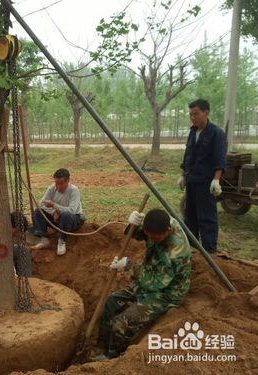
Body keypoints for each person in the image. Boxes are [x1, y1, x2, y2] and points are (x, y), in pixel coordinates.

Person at [96, 208, 192, 359]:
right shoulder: (157, 224)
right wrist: (131, 226)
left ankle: (112, 357)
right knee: (111, 302)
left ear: (167, 231)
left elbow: (155, 283)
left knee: (121, 323)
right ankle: (100, 346)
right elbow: (139, 233)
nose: (152, 240)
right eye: (149, 236)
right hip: (149, 275)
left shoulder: (175, 252)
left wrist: (129, 267)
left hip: (166, 293)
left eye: (156, 238)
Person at [178, 99, 226, 253]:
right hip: (192, 180)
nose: (193, 117)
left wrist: (216, 179)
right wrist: (183, 175)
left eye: (196, 114)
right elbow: (188, 155)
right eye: (191, 114)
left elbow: (219, 158)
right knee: (190, 216)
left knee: (206, 217)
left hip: (206, 182)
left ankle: (210, 251)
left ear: (206, 112)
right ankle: (191, 248)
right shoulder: (193, 132)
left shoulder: (216, 133)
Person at [30, 168, 84, 256]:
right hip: (57, 218)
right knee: (38, 212)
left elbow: (72, 210)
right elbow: (41, 204)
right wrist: (53, 211)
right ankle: (44, 239)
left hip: (73, 219)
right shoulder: (52, 188)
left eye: (61, 184)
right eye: (56, 183)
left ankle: (61, 240)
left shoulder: (74, 190)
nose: (58, 186)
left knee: (66, 215)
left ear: (68, 181)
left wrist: (55, 206)